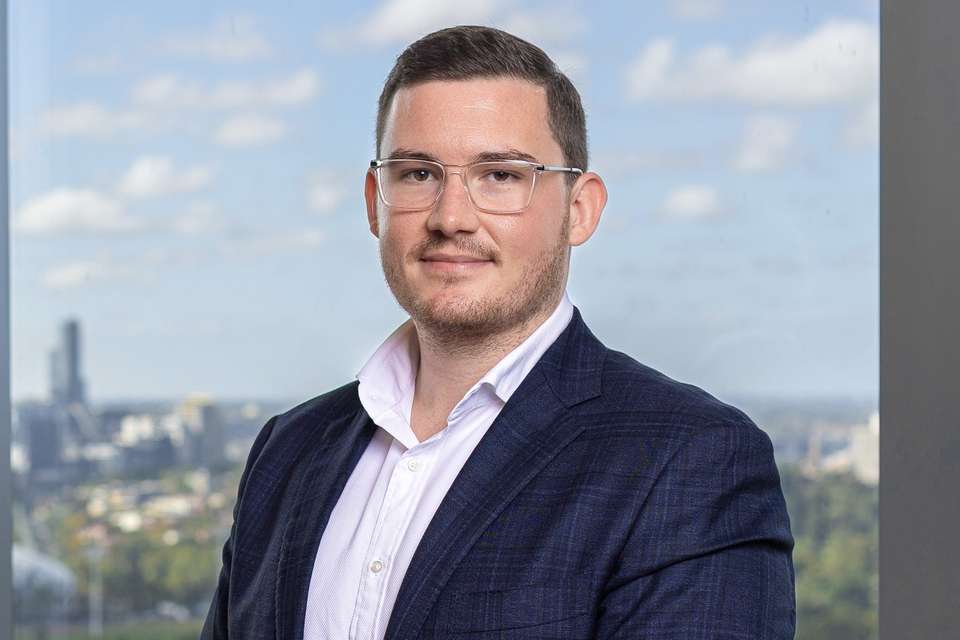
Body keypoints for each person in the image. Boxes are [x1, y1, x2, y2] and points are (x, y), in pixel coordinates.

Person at [201, 25, 795, 640]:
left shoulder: (689, 461)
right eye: (418, 174)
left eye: (501, 176)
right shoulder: (288, 451)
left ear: (579, 209)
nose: (450, 218)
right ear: (375, 201)